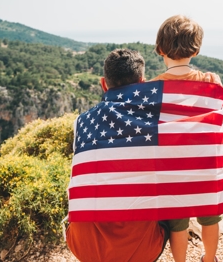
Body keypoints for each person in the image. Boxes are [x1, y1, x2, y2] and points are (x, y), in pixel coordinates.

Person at [65, 48, 170, 262]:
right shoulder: (156, 118)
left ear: (104, 83)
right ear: (142, 82)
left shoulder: (81, 122)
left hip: (84, 247)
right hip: (140, 250)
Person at [152, 15, 222, 262]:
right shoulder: (210, 81)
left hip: (172, 168)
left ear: (160, 49)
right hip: (204, 164)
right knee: (210, 218)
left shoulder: (152, 88)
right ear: (197, 49)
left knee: (177, 223)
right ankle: (209, 258)